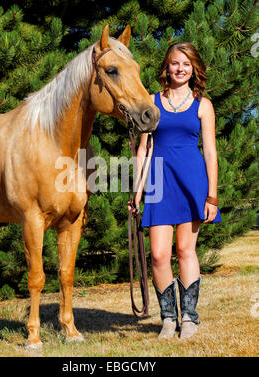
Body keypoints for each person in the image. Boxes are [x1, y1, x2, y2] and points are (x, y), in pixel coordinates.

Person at [128, 42, 222, 340]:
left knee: (185, 250)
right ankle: (169, 319)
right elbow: (143, 149)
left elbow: (209, 152)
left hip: (191, 182)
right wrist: (137, 191)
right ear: (166, 67)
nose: (180, 68)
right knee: (157, 255)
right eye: (174, 63)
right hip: (158, 181)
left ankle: (190, 318)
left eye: (186, 63)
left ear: (193, 68)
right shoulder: (152, 102)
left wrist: (212, 196)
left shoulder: (203, 105)